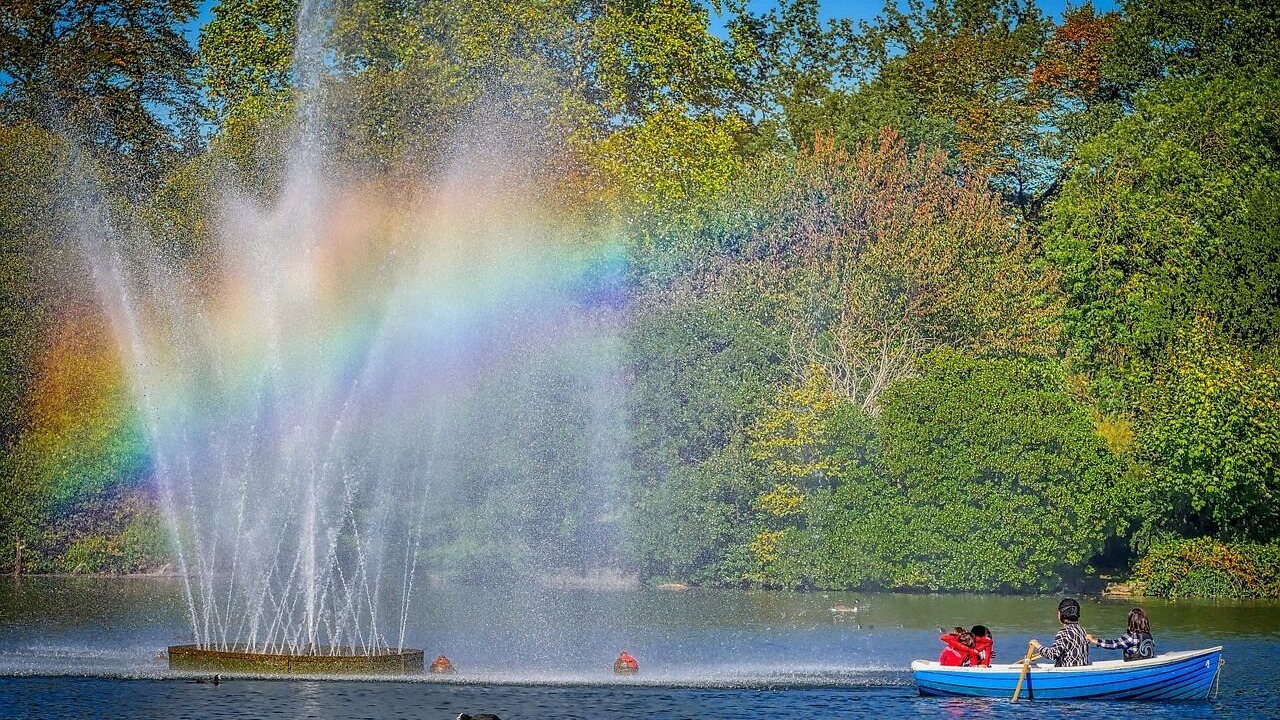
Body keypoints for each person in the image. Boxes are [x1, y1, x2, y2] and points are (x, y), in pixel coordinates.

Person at [1029, 598, 1090, 667]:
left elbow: (1052, 655)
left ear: (1061, 615)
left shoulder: (1064, 632)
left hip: (1067, 671)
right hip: (1080, 667)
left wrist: (1037, 645)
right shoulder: (1081, 630)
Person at [1087, 607, 1156, 662]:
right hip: (1146, 664)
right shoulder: (1149, 636)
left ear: (1131, 622)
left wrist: (1095, 640)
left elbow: (1113, 644)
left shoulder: (1131, 637)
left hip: (1133, 666)